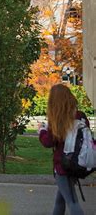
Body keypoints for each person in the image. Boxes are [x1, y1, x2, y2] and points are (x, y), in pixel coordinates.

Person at [39, 84, 89, 215]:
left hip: (63, 166)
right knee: (60, 200)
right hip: (77, 163)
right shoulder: (81, 116)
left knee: (73, 203)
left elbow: (48, 142)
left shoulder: (58, 120)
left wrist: (42, 130)